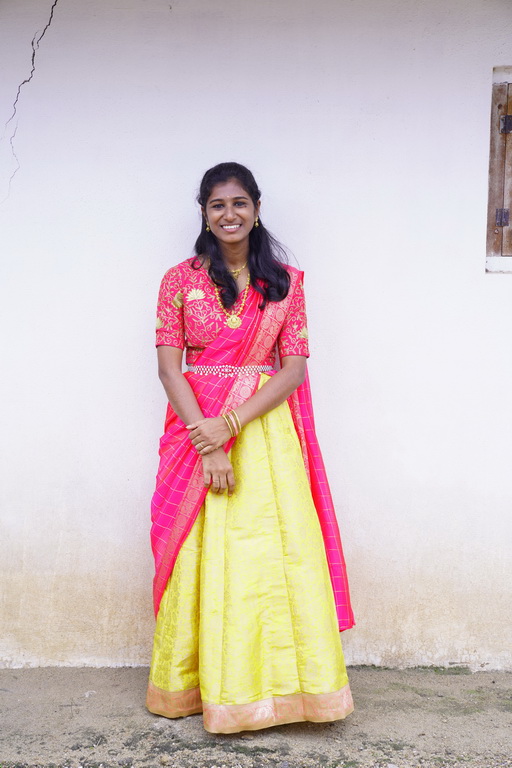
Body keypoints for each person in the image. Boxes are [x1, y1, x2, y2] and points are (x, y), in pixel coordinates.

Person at [146, 162, 355, 734]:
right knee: (197, 552)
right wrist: (208, 441)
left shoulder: (284, 283)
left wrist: (232, 423)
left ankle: (283, 689)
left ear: (256, 210)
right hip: (195, 432)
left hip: (264, 435)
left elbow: (293, 371)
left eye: (239, 203)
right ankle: (197, 685)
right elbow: (169, 370)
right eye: (217, 205)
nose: (229, 214)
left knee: (271, 553)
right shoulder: (178, 280)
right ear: (204, 214)